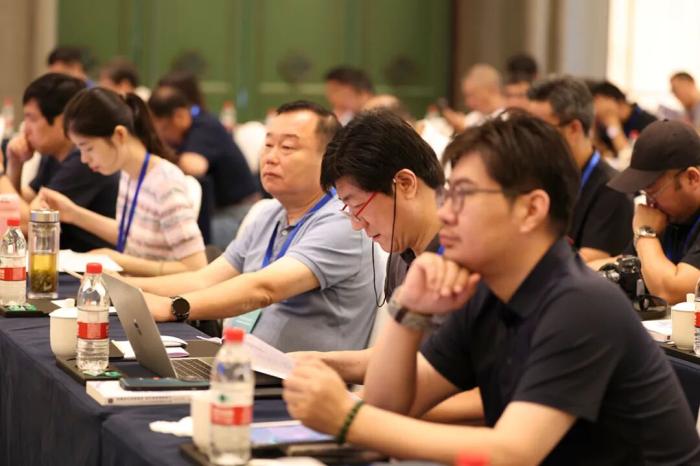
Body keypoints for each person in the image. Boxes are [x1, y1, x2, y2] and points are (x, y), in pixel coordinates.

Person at [284, 112, 700, 464]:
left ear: (531, 209)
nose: (446, 214)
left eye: (464, 195)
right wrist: (410, 310)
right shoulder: (486, 292)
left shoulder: (581, 305)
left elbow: (511, 453)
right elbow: (389, 405)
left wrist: (347, 417)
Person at [123, 101, 382, 352]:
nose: (270, 157)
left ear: (328, 159)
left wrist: (171, 307)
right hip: (237, 360)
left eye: (287, 147)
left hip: (293, 376)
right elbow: (203, 279)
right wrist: (126, 287)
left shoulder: (343, 222)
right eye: (268, 144)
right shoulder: (268, 214)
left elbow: (263, 290)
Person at [39, 87, 206, 276]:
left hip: (153, 291)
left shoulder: (165, 183)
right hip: (132, 286)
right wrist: (73, 214)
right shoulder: (129, 173)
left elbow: (196, 267)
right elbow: (131, 234)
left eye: (88, 148)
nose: (84, 159)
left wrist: (121, 262)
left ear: (119, 135)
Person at [1, 73, 118, 251]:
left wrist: (0, 174)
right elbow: (26, 203)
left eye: (32, 118)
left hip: (90, 262)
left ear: (63, 121)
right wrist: (15, 164)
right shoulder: (53, 154)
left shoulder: (85, 160)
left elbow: (26, 225)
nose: (26, 129)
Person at [528, 76, 633, 261]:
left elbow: (590, 260)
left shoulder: (613, 189)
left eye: (540, 130)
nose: (531, 139)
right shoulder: (540, 177)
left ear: (574, 129)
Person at [148, 85, 258, 249]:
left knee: (173, 238)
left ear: (179, 116)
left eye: (163, 129)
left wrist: (158, 152)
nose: (161, 136)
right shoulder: (191, 126)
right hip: (217, 212)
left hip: (238, 215)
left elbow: (195, 166)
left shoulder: (205, 126)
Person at [604, 119, 700, 304]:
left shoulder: (651, 228)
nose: (648, 204)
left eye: (653, 191)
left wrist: (645, 234)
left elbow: (671, 292)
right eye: (644, 194)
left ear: (692, 178)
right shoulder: (670, 215)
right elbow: (623, 263)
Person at [589, 80, 657, 156]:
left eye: (598, 101)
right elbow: (601, 154)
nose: (596, 107)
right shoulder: (604, 125)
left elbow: (627, 157)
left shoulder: (648, 123)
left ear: (611, 100)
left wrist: (613, 124)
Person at [441, 63, 506, 133]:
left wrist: (465, 130)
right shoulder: (477, 115)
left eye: (473, 96)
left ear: (492, 90)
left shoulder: (508, 120)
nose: (468, 103)